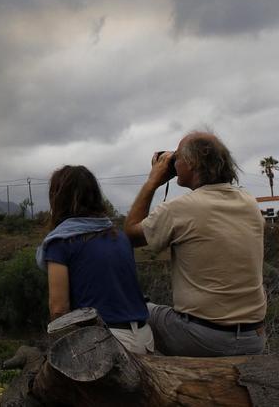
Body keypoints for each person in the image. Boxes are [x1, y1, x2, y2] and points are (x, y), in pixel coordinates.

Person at [122, 131, 266, 357]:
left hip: (202, 338)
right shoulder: (248, 202)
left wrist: (153, 181)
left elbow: (130, 234)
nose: (173, 162)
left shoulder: (180, 208)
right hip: (253, 338)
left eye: (177, 157)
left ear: (192, 162)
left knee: (132, 309)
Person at [37, 165, 153, 355]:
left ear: (57, 199)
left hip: (105, 344)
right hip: (145, 338)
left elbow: (58, 310)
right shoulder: (120, 237)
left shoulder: (61, 242)